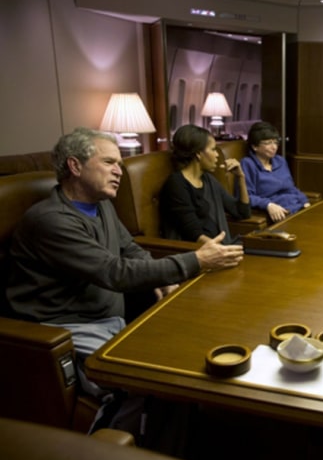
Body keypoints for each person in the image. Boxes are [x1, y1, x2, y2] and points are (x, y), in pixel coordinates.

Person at [5, 127, 244, 395]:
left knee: (191, 353)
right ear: (75, 166)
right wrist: (198, 260)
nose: (119, 171)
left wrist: (162, 280)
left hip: (110, 319)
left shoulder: (101, 203)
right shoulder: (51, 220)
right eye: (109, 163)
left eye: (119, 164)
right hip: (67, 329)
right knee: (152, 386)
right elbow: (114, 272)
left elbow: (129, 248)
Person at [160, 124, 250, 244]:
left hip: (218, 247)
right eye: (213, 149)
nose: (217, 155)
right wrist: (223, 251)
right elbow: (194, 234)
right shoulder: (176, 184)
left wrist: (241, 177)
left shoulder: (208, 179)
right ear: (198, 154)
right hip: (197, 253)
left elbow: (242, 212)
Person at [240, 121, 310, 222]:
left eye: (276, 142)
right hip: (279, 213)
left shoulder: (280, 160)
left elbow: (291, 188)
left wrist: (305, 201)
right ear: (254, 146)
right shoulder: (247, 164)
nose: (274, 147)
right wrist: (268, 205)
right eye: (268, 143)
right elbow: (247, 197)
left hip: (296, 207)